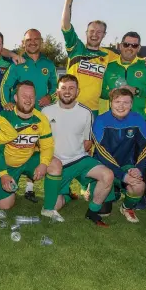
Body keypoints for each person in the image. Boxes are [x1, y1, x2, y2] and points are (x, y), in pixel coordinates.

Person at [61, 0, 146, 117]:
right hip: (68, 105)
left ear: (104, 35)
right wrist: (69, 0)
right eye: (92, 31)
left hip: (92, 109)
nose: (95, 34)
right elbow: (66, 25)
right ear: (86, 33)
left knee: (89, 138)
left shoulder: (109, 55)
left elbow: (129, 56)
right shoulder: (76, 48)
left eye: (99, 32)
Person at [101, 31, 146, 209]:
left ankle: (140, 197)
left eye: (134, 45)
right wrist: (115, 93)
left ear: (139, 48)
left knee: (140, 159)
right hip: (113, 123)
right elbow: (102, 92)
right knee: (112, 156)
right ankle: (113, 191)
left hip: (140, 120)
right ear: (120, 45)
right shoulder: (111, 67)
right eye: (127, 44)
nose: (130, 48)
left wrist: (136, 91)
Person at [41, 74, 114, 226]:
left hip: (79, 160)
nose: (67, 91)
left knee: (107, 175)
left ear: (78, 91)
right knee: (53, 207)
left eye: (71, 88)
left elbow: (88, 142)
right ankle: (66, 194)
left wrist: (76, 151)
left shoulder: (86, 112)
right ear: (57, 91)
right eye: (64, 88)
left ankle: (93, 211)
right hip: (57, 165)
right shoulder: (46, 112)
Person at [0, 81, 62, 215]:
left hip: (29, 160)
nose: (28, 100)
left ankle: (48, 209)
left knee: (55, 164)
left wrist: (43, 164)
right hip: (8, 165)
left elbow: (47, 146)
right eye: (24, 96)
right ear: (16, 98)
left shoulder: (41, 119)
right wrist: (3, 174)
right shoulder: (4, 117)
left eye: (31, 96)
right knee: (4, 206)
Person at [92, 88, 146, 223]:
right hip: (103, 167)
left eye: (126, 102)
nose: (121, 106)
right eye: (117, 101)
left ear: (131, 104)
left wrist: (138, 168)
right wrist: (123, 176)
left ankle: (126, 207)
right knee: (103, 212)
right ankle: (104, 188)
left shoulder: (138, 119)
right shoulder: (101, 120)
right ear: (110, 103)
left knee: (139, 186)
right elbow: (102, 153)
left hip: (126, 165)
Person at [1, 29, 58, 111]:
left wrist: (49, 97)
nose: (33, 42)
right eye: (29, 40)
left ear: (41, 41)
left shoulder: (49, 64)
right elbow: (5, 85)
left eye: (36, 39)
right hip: (20, 114)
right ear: (23, 43)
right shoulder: (17, 63)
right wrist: (6, 103)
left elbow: (55, 86)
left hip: (43, 113)